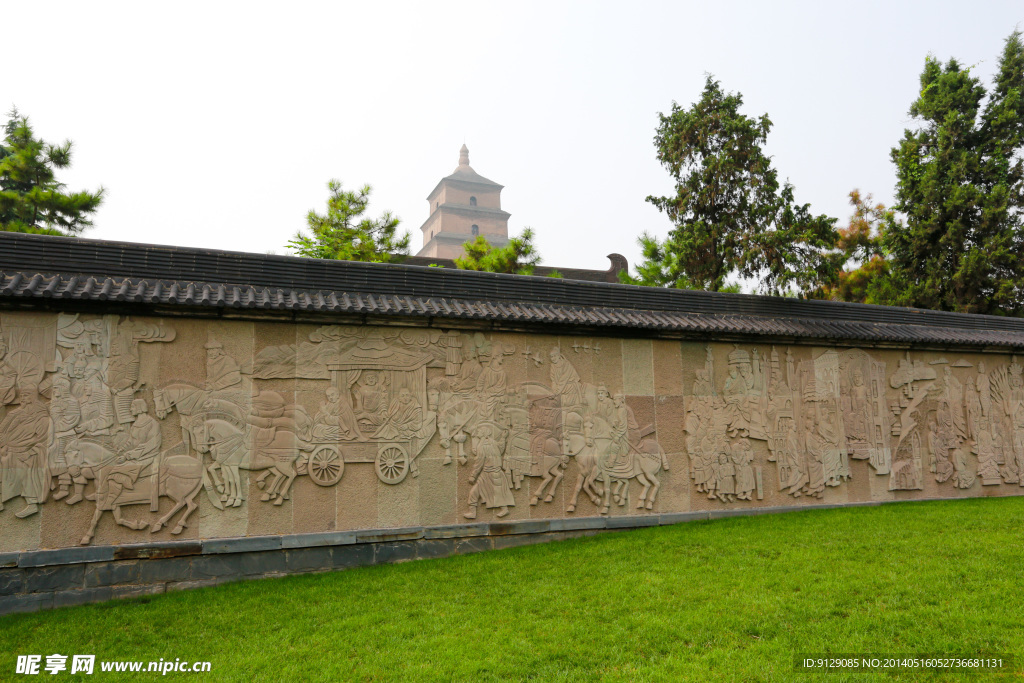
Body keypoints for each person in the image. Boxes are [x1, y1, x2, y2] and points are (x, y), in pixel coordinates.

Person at [0, 383, 52, 517]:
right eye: (21, 395)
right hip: (12, 450)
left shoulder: (42, 417)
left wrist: (27, 447)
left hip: (30, 452)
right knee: (4, 471)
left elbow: (41, 438)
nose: (22, 398)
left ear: (33, 397)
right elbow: (3, 430)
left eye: (26, 395)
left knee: (26, 475)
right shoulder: (16, 413)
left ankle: (32, 503)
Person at [464, 427, 514, 519]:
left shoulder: (482, 445)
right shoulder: (492, 442)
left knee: (477, 492)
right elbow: (501, 449)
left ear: (483, 433)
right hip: (494, 472)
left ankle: (473, 512)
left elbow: (479, 462)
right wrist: (503, 438)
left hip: (488, 473)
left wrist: (473, 475)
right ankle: (473, 512)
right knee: (496, 492)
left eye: (479, 431)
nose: (478, 433)